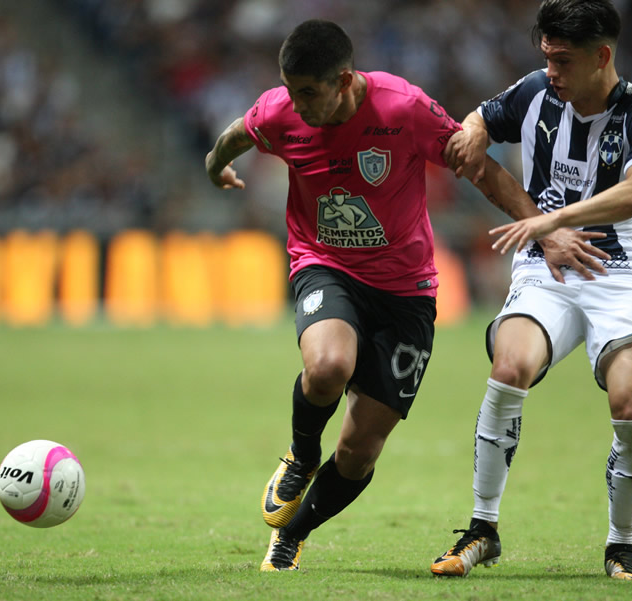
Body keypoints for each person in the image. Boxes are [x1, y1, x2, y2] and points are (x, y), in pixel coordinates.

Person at [205, 18, 607, 572]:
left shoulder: (403, 109)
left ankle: (292, 534)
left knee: (359, 449)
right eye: (290, 91)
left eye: (309, 94)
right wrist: (215, 165)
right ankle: (300, 455)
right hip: (326, 266)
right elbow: (238, 133)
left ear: (344, 81)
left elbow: (480, 170)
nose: (296, 106)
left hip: (406, 293)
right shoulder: (281, 110)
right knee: (328, 367)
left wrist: (544, 227)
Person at [430, 0, 632, 581]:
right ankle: (482, 529)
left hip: (617, 274)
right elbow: (475, 129)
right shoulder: (536, 92)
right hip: (545, 271)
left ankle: (621, 545)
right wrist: (472, 131)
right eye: (547, 57)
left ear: (601, 56)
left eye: (563, 60)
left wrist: (551, 221)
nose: (552, 71)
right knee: (510, 365)